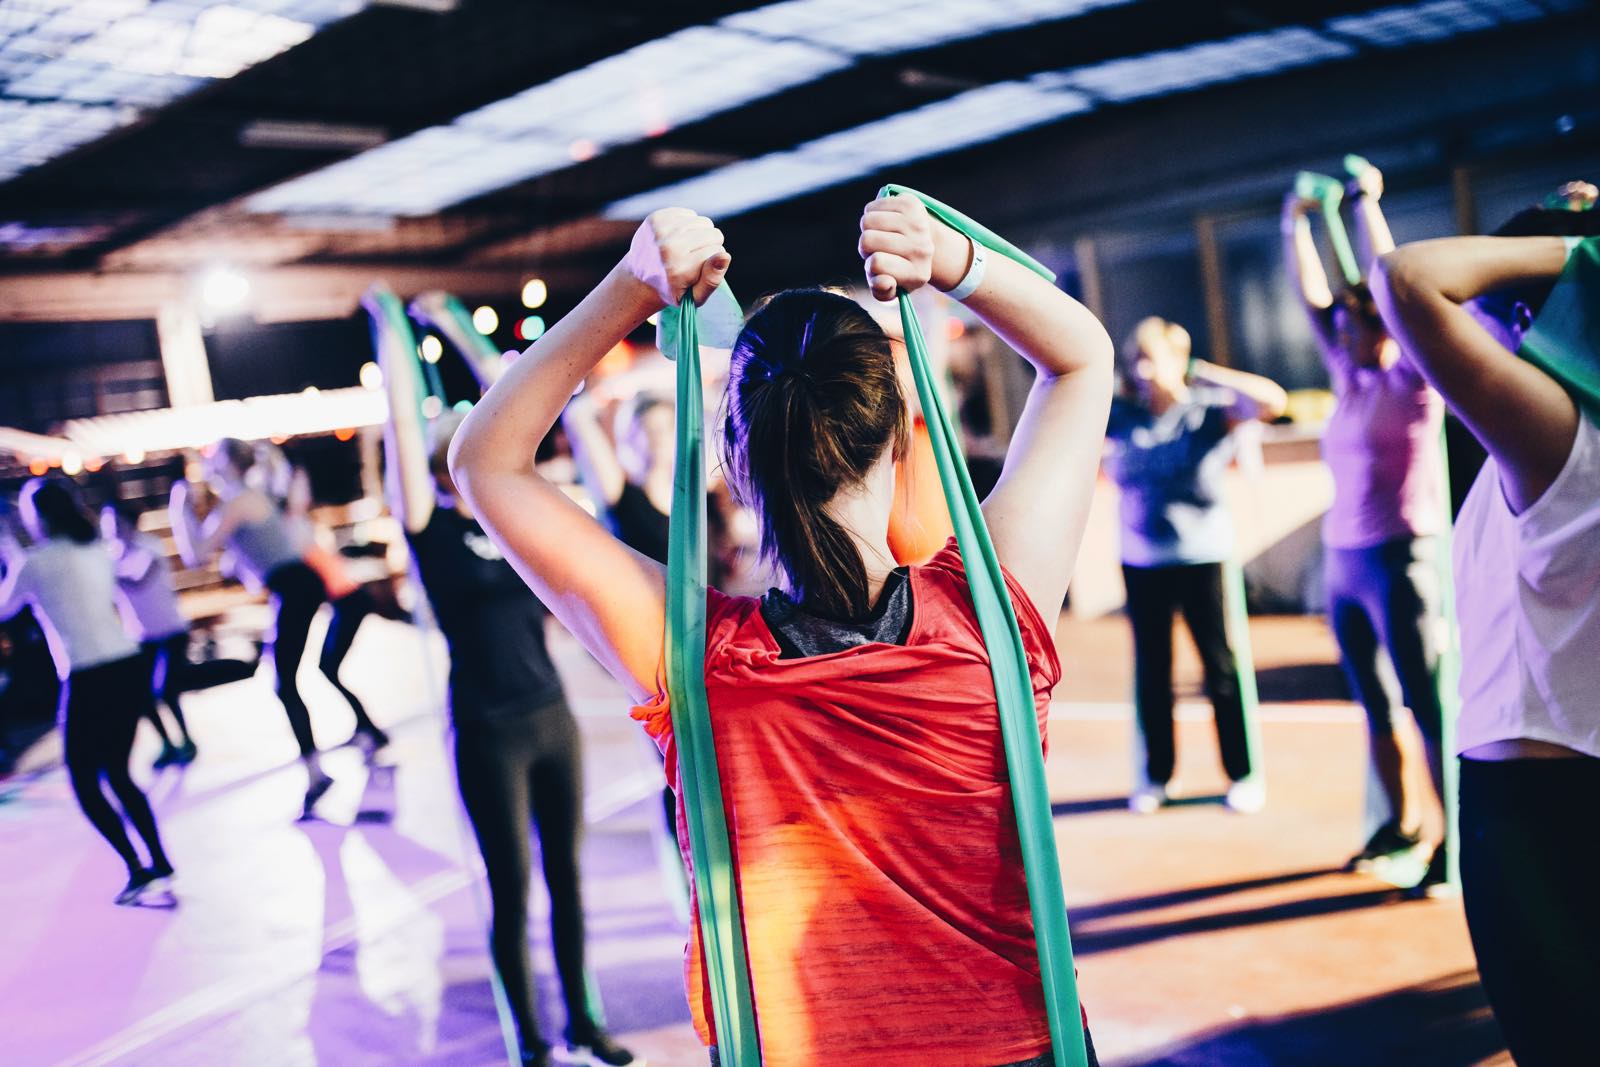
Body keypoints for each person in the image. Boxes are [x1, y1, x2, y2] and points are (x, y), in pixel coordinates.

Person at [448, 193, 1113, 1066]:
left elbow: (483, 459)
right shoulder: (990, 615)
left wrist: (631, 287)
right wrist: (952, 260)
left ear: (737, 462)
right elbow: (1081, 359)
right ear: (897, 439)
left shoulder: (693, 658)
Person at [368, 286, 635, 1067]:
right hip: (486, 729)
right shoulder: (430, 535)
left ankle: (584, 1023)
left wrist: (453, 323)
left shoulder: (512, 522)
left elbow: (522, 400)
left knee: (569, 880)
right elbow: (400, 434)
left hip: (551, 715)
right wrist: (391, 331)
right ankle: (529, 1041)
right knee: (512, 892)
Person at [1371, 185, 1600, 1067]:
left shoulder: (1560, 440)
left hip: (1550, 819)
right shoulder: (1532, 440)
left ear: (1520, 314)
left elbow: (1409, 279)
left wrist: (1580, 248)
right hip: (1531, 801)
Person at [1283, 163, 1450, 889]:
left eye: (1354, 325)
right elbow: (1312, 297)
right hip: (1344, 562)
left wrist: (1363, 205)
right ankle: (1400, 822)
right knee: (1376, 705)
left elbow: (1390, 279)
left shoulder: (1414, 379)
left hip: (1400, 559)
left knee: (1426, 705)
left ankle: (1452, 842)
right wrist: (1294, 221)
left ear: (1380, 324)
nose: (1340, 334)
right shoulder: (1349, 380)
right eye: (1341, 327)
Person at [1106, 316, 1287, 815]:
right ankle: (1158, 776)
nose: (1141, 369)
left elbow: (1274, 402)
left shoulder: (1207, 412)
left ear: (1177, 360)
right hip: (1142, 561)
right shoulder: (1122, 416)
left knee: (1220, 667)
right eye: (1134, 359)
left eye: (1151, 357)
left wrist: (1205, 372)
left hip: (1203, 557)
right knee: (1153, 672)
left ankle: (1242, 773)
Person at [170, 439, 386, 817]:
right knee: (286, 681)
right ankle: (322, 766)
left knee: (285, 683)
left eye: (214, 459)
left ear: (230, 464)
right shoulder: (245, 497)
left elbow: (196, 553)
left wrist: (179, 505)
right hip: (292, 587)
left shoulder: (238, 500)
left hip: (296, 586)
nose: (207, 466)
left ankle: (318, 772)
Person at [0, 478, 174, 904]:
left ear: (37, 517)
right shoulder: (97, 551)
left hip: (87, 673)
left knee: (84, 781)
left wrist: (7, 549)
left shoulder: (35, 562)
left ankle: (136, 868)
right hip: (126, 664)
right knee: (119, 772)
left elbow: (4, 609)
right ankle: (159, 861)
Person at [101, 501, 198, 768]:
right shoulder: (108, 556)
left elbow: (139, 579)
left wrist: (103, 576)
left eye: (115, 521)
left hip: (171, 630)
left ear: (129, 522)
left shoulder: (150, 546)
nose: (111, 528)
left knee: (166, 690)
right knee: (141, 696)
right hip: (140, 637)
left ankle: (187, 740)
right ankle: (167, 744)